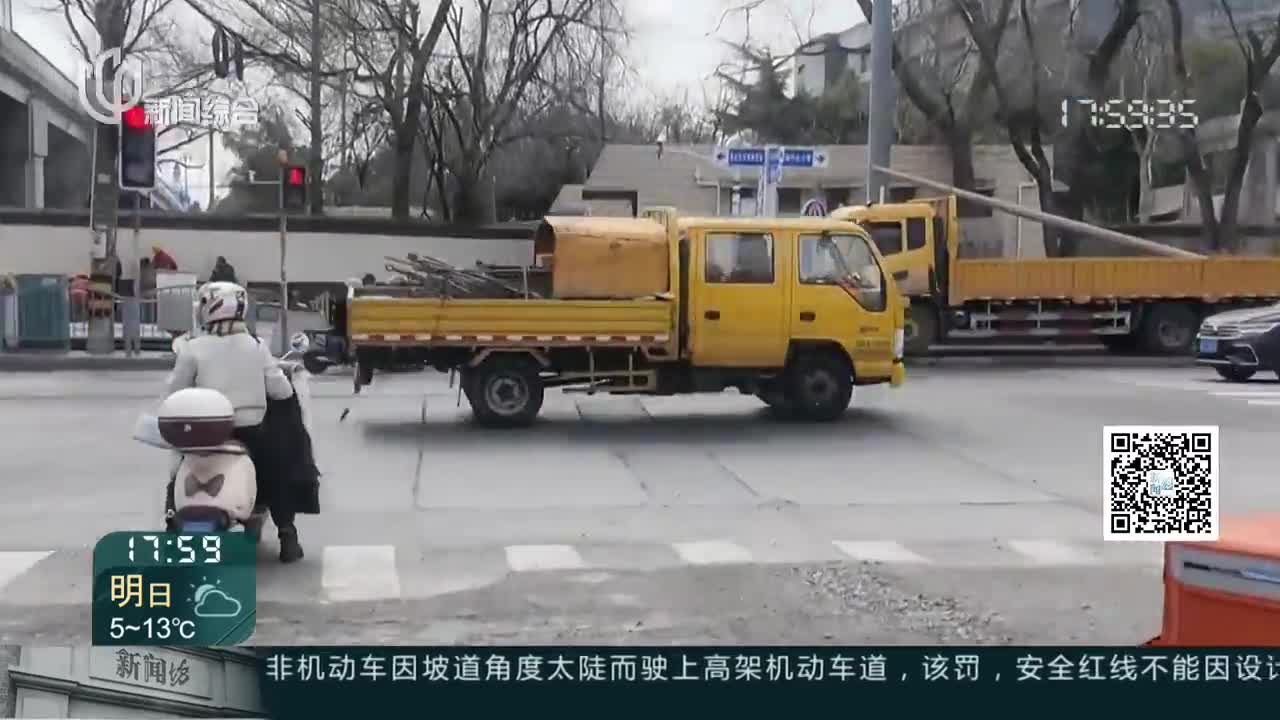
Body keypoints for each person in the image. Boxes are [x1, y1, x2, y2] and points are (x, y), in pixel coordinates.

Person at [162, 282, 305, 562]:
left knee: (177, 472)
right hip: (251, 432)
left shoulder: (192, 349)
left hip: (204, 434)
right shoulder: (256, 346)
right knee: (275, 474)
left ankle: (170, 527)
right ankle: (287, 535)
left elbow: (174, 392)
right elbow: (281, 391)